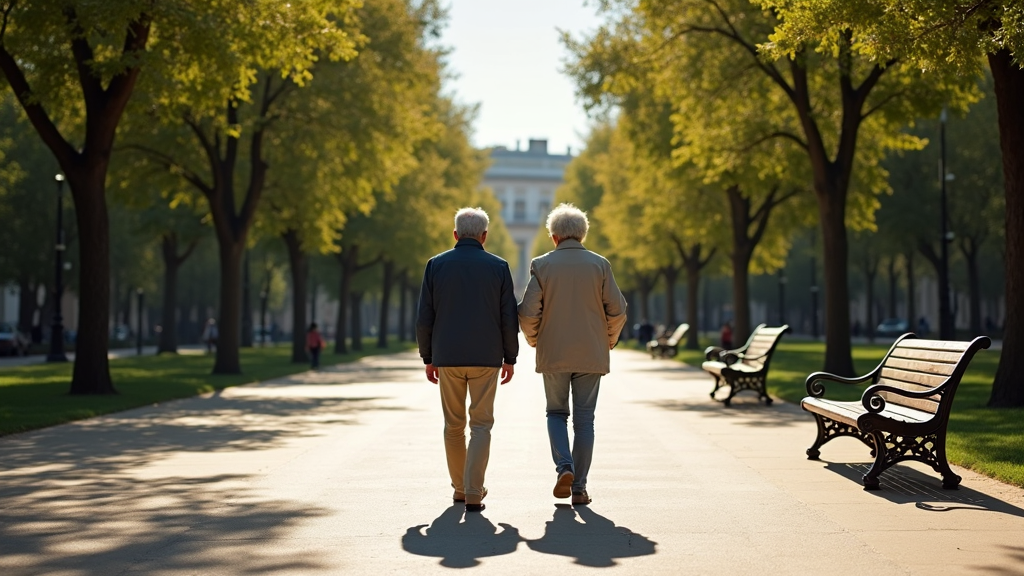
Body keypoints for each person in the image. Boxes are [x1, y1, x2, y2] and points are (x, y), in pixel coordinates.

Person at [518, 203, 627, 506]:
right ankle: (579, 487)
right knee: (585, 420)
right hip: (591, 352)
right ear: (583, 234)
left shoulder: (542, 265)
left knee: (555, 413)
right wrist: (608, 340)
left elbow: (527, 313)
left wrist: (534, 339)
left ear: (554, 237)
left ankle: (563, 466)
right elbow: (618, 311)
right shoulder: (600, 265)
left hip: (554, 352)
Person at [417, 207, 518, 512]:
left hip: (447, 356)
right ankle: (474, 489)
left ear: (455, 234)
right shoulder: (499, 267)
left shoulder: (436, 265)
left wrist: (428, 357)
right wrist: (510, 357)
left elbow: (425, 317)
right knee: (482, 425)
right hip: (486, 357)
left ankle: (459, 488)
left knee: (453, 425)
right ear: (485, 236)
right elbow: (508, 317)